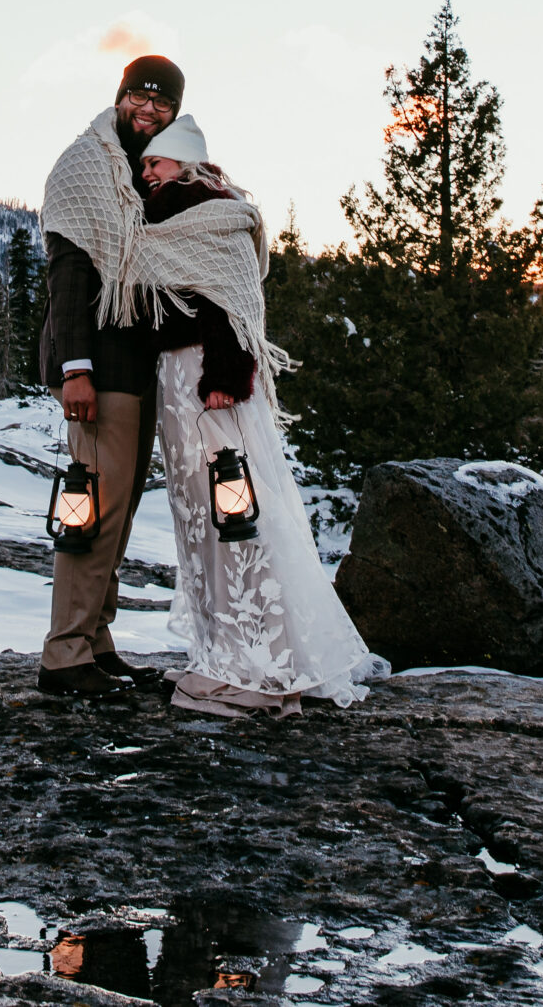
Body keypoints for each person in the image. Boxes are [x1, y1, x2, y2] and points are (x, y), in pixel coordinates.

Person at [128, 114, 385, 717]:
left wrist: (224, 378)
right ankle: (223, 649)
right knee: (201, 517)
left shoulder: (210, 210)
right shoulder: (166, 216)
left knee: (233, 513)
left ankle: (259, 663)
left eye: (154, 162)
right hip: (177, 381)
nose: (147, 172)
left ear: (184, 161)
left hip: (206, 381)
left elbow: (233, 306)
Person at [32, 55, 185, 697]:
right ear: (119, 97)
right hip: (96, 367)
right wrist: (76, 371)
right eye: (139, 96)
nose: (148, 109)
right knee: (90, 511)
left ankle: (96, 641)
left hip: (137, 368)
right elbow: (69, 274)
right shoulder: (88, 166)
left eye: (162, 102)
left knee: (116, 514)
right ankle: (65, 654)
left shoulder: (144, 175)